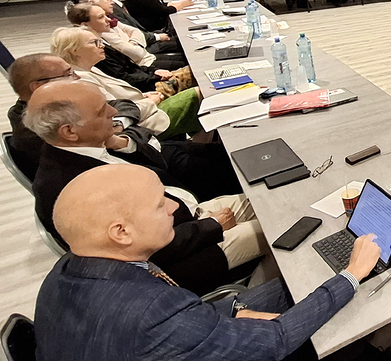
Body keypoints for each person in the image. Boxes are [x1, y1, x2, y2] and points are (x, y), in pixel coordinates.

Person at [34, 165, 391, 361]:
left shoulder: (69, 269)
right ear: (121, 232)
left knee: (297, 288)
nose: (173, 207)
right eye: (159, 204)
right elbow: (278, 340)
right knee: (328, 313)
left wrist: (236, 309)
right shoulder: (146, 313)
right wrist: (351, 273)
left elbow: (177, 321)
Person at [26, 81, 262, 293]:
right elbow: (145, 249)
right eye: (101, 111)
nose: (113, 112)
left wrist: (120, 143)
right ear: (69, 131)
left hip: (187, 217)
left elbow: (160, 164)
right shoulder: (70, 187)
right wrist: (211, 226)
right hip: (185, 257)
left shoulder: (82, 148)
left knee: (269, 198)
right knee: (278, 229)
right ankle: (258, 300)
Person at [6, 54, 147, 178]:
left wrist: (117, 125)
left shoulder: (59, 104)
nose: (78, 77)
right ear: (38, 86)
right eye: (68, 74)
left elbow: (123, 104)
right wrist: (118, 136)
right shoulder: (42, 130)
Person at [52, 26, 200, 138]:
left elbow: (120, 97)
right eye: (94, 42)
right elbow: (115, 113)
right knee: (197, 95)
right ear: (74, 50)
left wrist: (145, 95)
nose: (102, 45)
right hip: (142, 122)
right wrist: (149, 101)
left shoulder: (91, 69)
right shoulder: (81, 81)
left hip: (144, 106)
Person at [70, 0, 186, 70]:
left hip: (145, 57)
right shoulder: (101, 32)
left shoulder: (108, 20)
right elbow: (136, 54)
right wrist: (135, 43)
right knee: (185, 59)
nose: (111, 1)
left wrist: (132, 42)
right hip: (143, 63)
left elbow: (136, 31)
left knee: (184, 51)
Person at [93, 0, 180, 49]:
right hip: (143, 47)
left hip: (146, 38)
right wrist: (157, 36)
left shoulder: (118, 5)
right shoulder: (111, 9)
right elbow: (129, 35)